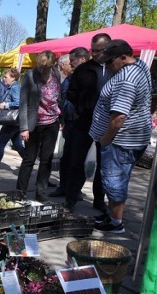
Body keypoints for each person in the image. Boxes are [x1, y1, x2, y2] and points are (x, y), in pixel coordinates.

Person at [89, 39, 152, 233]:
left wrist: (105, 140)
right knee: (117, 178)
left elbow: (118, 118)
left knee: (114, 180)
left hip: (120, 140)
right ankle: (112, 216)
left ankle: (116, 223)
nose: (106, 66)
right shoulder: (140, 65)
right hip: (131, 137)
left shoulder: (126, 79)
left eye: (109, 62)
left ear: (123, 57)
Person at [65, 34, 112, 214]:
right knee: (76, 162)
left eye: (99, 50)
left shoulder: (113, 69)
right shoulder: (83, 69)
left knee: (103, 165)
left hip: (106, 124)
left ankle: (99, 200)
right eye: (93, 50)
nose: (96, 54)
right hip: (83, 122)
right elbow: (71, 93)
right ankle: (71, 198)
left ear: (107, 49)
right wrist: (79, 109)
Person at [16, 50, 64, 202]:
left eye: (46, 67)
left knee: (46, 159)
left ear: (52, 65)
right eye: (41, 67)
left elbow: (59, 97)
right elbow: (23, 103)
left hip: (52, 123)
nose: (42, 70)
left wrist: (61, 117)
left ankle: (40, 193)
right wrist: (23, 128)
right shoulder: (30, 76)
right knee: (29, 159)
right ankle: (20, 193)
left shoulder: (56, 74)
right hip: (34, 124)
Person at [48, 54, 76, 201]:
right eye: (69, 63)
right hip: (63, 122)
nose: (71, 66)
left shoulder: (71, 79)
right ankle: (63, 185)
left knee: (70, 157)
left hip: (71, 123)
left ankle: (70, 188)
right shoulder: (59, 78)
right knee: (63, 156)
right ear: (63, 65)